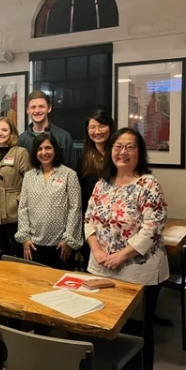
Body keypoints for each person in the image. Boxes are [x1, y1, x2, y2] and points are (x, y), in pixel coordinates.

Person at [84, 128, 168, 370]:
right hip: (101, 269)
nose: (123, 152)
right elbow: (89, 219)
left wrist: (121, 255)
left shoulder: (148, 184)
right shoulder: (102, 184)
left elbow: (152, 229)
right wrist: (97, 250)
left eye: (130, 147)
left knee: (136, 334)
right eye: (118, 146)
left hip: (138, 273)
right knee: (106, 330)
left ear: (139, 152)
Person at [15, 132, 82, 269]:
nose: (44, 152)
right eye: (39, 149)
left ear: (55, 150)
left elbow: (75, 208)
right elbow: (23, 208)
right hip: (34, 244)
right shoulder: (29, 176)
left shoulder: (69, 174)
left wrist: (68, 239)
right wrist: (25, 238)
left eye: (48, 148)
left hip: (61, 245)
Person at [0, 117, 30, 259]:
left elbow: (29, 182)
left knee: (15, 254)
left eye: (4, 130)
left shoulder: (20, 153)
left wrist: (19, 200)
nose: (0, 133)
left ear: (12, 133)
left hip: (14, 210)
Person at [78, 110, 116, 269]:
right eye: (92, 127)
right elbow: (81, 194)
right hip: (92, 225)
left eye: (101, 126)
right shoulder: (85, 158)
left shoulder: (119, 154)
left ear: (110, 127)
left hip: (117, 223)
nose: (97, 131)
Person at [18, 90, 76, 170]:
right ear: (28, 110)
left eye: (41, 106)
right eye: (33, 107)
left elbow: (71, 170)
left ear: (49, 108)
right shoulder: (21, 140)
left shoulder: (63, 137)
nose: (37, 111)